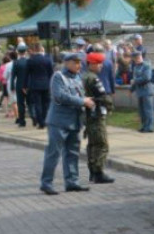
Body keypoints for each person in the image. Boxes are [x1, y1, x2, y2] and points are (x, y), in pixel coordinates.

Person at [39, 52, 94, 195]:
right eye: (75, 62)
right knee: (54, 153)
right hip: (59, 122)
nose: (79, 65)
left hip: (74, 121)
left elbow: (78, 95)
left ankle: (72, 182)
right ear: (67, 63)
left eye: (80, 62)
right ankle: (46, 183)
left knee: (72, 153)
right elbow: (60, 96)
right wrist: (82, 101)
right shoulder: (58, 77)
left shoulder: (78, 77)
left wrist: (86, 100)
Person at [83, 52, 115, 183]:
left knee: (92, 144)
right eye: (98, 63)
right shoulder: (94, 79)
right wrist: (110, 106)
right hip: (97, 114)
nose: (101, 66)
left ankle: (92, 170)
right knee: (102, 144)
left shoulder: (84, 77)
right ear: (92, 64)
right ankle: (98, 172)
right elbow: (103, 96)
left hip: (88, 115)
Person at [26, 43, 54, 129]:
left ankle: (40, 122)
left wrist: (25, 85)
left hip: (35, 85)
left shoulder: (30, 60)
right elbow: (51, 73)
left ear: (34, 50)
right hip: (46, 84)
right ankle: (45, 120)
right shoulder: (47, 60)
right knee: (46, 103)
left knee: (37, 104)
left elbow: (27, 74)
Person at [130, 51, 154, 132]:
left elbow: (147, 78)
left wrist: (135, 81)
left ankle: (149, 127)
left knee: (148, 110)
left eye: (138, 57)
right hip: (140, 91)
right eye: (135, 58)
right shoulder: (135, 67)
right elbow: (135, 80)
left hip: (147, 90)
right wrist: (131, 90)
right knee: (141, 111)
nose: (137, 59)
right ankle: (144, 126)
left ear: (141, 57)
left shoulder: (146, 65)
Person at [11, 44, 30, 127]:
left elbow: (13, 76)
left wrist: (12, 86)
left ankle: (22, 121)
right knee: (30, 102)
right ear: (25, 52)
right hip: (29, 85)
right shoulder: (29, 61)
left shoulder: (16, 62)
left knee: (20, 103)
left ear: (18, 52)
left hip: (19, 85)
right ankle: (34, 118)